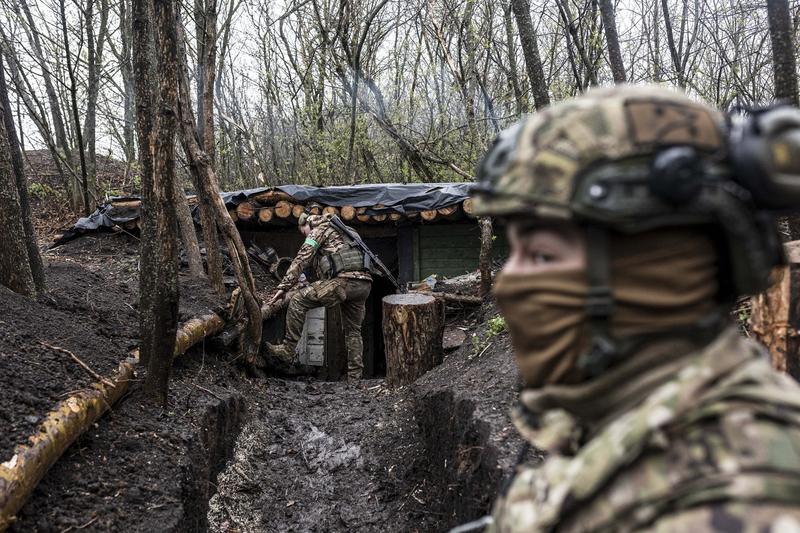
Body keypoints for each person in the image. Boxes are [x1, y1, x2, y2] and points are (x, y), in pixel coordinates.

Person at [470, 85, 800, 532]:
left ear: (654, 271)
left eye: (543, 255)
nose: (509, 284)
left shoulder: (743, 499)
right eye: (513, 253)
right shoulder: (623, 421)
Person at [266, 212, 372, 381]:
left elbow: (302, 258)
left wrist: (283, 287)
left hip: (341, 283)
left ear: (307, 224)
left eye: (303, 232)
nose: (305, 236)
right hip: (363, 285)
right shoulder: (348, 230)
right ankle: (355, 377)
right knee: (353, 331)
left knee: (298, 300)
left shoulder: (318, 230)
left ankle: (287, 349)